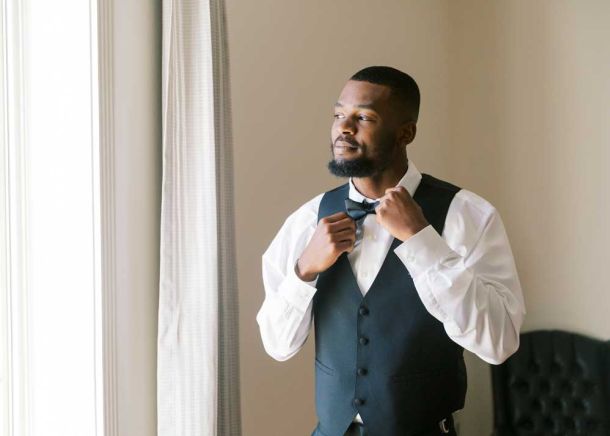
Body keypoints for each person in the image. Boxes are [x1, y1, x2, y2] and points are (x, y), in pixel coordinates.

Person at [256, 66, 526, 436]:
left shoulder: (468, 216)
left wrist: (422, 241)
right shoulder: (307, 221)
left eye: (364, 117)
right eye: (338, 115)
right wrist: (305, 269)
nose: (344, 128)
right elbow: (277, 345)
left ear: (406, 133)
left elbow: (499, 343)